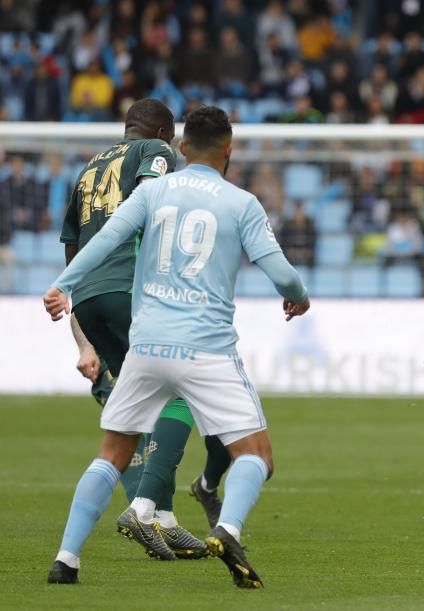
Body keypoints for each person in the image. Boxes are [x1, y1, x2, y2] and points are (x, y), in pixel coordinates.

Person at [45, 106, 311, 588]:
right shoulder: (242, 203)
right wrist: (298, 297)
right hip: (206, 349)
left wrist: (63, 285)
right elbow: (282, 273)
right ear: (229, 151)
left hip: (147, 346)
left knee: (112, 453)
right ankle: (226, 528)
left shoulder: (153, 191)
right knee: (257, 456)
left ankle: (66, 558)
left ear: (182, 147)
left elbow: (105, 240)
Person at [59, 98, 211, 559]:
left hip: (87, 297)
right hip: (132, 291)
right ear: (165, 133)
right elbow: (153, 205)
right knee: (180, 393)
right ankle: (150, 512)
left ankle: (159, 520)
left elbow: (72, 244)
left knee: (137, 408)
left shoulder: (89, 168)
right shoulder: (154, 153)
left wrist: (80, 312)